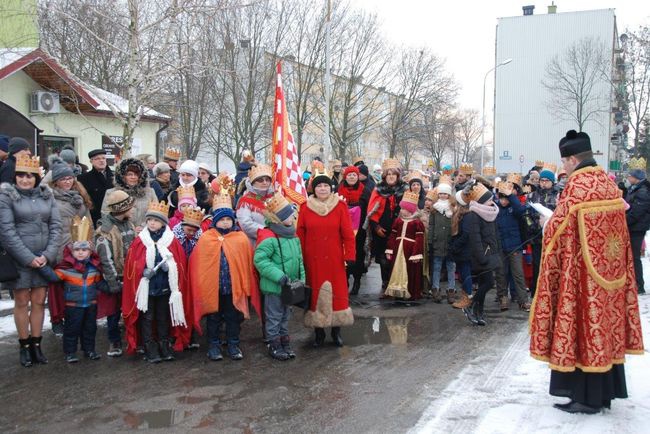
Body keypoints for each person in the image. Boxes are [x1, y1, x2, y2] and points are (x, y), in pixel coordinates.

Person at [530, 130, 644, 414]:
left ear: (572, 159)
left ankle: (586, 398)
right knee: (603, 330)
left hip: (581, 276)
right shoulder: (607, 183)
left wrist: (547, 223)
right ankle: (603, 394)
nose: (564, 168)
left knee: (583, 330)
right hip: (611, 275)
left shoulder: (578, 186)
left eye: (564, 162)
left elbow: (558, 228)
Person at [0, 155, 62, 367]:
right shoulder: (7, 197)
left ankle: (37, 344)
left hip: (43, 257)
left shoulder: (48, 196)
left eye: (30, 176)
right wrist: (29, 258)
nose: (25, 180)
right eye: (21, 176)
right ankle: (24, 345)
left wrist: (48, 255)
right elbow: (7, 232)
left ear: (36, 177)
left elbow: (56, 227)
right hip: (20, 259)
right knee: (21, 302)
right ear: (15, 177)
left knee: (38, 302)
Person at [122, 201, 190, 362]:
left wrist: (170, 267)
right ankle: (149, 346)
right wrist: (142, 271)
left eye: (156, 220)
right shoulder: (140, 241)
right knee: (147, 318)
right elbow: (132, 264)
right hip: (146, 289)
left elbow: (180, 262)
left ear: (163, 223)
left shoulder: (171, 240)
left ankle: (164, 344)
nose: (152, 223)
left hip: (165, 287)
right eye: (150, 220)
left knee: (163, 317)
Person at [189, 194, 253, 361]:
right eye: (222, 219)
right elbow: (199, 265)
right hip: (213, 288)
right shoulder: (206, 239)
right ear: (214, 221)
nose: (225, 222)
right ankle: (214, 345)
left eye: (228, 219)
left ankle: (233, 344)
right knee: (213, 318)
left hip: (233, 288)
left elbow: (245, 264)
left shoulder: (240, 238)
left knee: (233, 318)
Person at [298, 171, 356, 347]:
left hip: (334, 258)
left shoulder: (340, 206)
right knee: (315, 294)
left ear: (330, 188)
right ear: (313, 189)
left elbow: (347, 234)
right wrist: (299, 257)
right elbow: (300, 233)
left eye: (325, 185)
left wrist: (350, 255)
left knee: (337, 294)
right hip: (312, 258)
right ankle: (319, 332)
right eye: (318, 186)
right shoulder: (305, 207)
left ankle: (336, 331)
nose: (322, 188)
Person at [255, 193, 305, 360]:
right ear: (278, 219)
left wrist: (302, 279)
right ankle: (274, 344)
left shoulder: (293, 237)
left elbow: (299, 261)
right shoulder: (269, 238)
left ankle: (284, 342)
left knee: (285, 316)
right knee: (274, 317)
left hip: (290, 287)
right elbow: (260, 260)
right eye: (290, 216)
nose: (293, 218)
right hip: (275, 287)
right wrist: (279, 276)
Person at [47, 156, 93, 337]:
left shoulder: (80, 197)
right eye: (63, 179)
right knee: (58, 286)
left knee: (77, 285)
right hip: (61, 246)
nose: (67, 182)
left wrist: (90, 243)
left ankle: (75, 316)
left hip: (80, 246)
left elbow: (88, 222)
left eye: (69, 178)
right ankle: (57, 319)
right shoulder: (50, 197)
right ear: (56, 181)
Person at [95, 190, 137, 357]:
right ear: (122, 208)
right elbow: (106, 259)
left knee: (131, 309)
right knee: (113, 312)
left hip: (130, 275)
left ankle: (132, 338)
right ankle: (114, 341)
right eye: (130, 206)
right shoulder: (105, 231)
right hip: (116, 278)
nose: (133, 210)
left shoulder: (129, 224)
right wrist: (113, 283)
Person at [54, 240, 107, 363]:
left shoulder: (94, 268)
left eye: (84, 250)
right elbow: (53, 277)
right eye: (77, 250)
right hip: (73, 306)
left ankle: (89, 350)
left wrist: (116, 288)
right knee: (71, 329)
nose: (81, 253)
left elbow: (99, 284)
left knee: (90, 328)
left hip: (91, 304)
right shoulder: (65, 269)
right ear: (72, 252)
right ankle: (70, 353)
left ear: (90, 252)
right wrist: (41, 267)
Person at [458, 181, 500, 326]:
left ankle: (478, 312)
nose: (492, 201)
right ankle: (470, 305)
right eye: (489, 200)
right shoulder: (474, 215)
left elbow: (494, 235)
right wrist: (481, 256)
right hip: (480, 256)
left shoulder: (491, 214)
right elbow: (475, 238)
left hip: (490, 254)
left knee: (484, 283)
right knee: (489, 283)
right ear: (481, 201)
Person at [368, 158, 409, 292]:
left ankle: (396, 285)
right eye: (388, 174)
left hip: (399, 230)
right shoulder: (378, 190)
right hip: (382, 230)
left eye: (393, 174)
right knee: (383, 259)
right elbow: (372, 210)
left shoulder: (405, 190)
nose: (391, 177)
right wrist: (376, 227)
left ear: (397, 176)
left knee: (397, 258)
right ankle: (385, 284)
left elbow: (410, 210)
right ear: (385, 176)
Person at [494, 181, 531, 312]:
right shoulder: (495, 209)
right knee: (501, 274)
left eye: (506, 198)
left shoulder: (514, 208)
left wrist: (511, 197)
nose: (503, 201)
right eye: (501, 198)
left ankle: (523, 300)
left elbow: (521, 210)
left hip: (515, 246)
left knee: (518, 274)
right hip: (500, 247)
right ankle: (502, 297)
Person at [336, 165, 371, 295]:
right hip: (342, 229)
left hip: (359, 231)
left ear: (358, 177)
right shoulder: (339, 189)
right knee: (343, 254)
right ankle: (344, 280)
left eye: (354, 175)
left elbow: (369, 210)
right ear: (345, 176)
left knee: (357, 255)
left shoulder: (365, 191)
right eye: (349, 175)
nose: (351, 177)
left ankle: (357, 281)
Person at [385, 191, 425, 301]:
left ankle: (410, 291)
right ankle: (396, 291)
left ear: (410, 210)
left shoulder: (417, 223)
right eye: (401, 208)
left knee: (409, 270)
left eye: (404, 209)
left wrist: (416, 253)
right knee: (396, 270)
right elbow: (393, 235)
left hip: (409, 250)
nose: (401, 211)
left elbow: (419, 238)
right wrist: (390, 249)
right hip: (398, 249)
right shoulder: (398, 221)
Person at [527, 169, 559, 298]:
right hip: (537, 239)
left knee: (551, 267)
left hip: (553, 237)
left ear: (552, 182)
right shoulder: (532, 196)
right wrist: (534, 226)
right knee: (536, 267)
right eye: (542, 180)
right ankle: (535, 294)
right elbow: (527, 215)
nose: (544, 183)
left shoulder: (558, 196)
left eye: (547, 181)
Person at [101, 158, 158, 230]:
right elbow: (106, 214)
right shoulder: (111, 193)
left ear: (141, 176)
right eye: (129, 174)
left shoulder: (150, 192)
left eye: (136, 174)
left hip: (145, 233)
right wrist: (128, 228)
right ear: (122, 176)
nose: (133, 177)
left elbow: (155, 213)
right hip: (121, 233)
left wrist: (143, 227)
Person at [428, 178, 456, 304]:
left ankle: (451, 290)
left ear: (449, 195)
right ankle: (435, 288)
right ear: (438, 194)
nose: (443, 195)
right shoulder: (434, 209)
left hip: (450, 242)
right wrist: (430, 240)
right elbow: (431, 225)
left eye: (445, 193)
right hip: (437, 241)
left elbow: (456, 225)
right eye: (441, 193)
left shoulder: (453, 209)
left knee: (451, 267)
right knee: (437, 267)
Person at [625, 162, 650, 295]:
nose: (628, 179)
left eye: (630, 176)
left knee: (634, 257)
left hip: (637, 228)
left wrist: (625, 221)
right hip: (633, 226)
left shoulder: (643, 191)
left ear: (636, 178)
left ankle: (639, 285)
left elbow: (637, 212)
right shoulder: (635, 189)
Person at [236, 163, 274, 245]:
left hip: (275, 242)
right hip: (256, 243)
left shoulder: (274, 197)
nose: (265, 182)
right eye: (260, 180)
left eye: (267, 180)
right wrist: (265, 230)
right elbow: (245, 224)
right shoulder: (245, 200)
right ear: (253, 182)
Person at [77, 149, 114, 226]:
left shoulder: (115, 177)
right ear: (91, 161)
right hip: (95, 219)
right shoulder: (83, 178)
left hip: (114, 218)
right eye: (97, 159)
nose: (101, 161)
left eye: (103, 158)